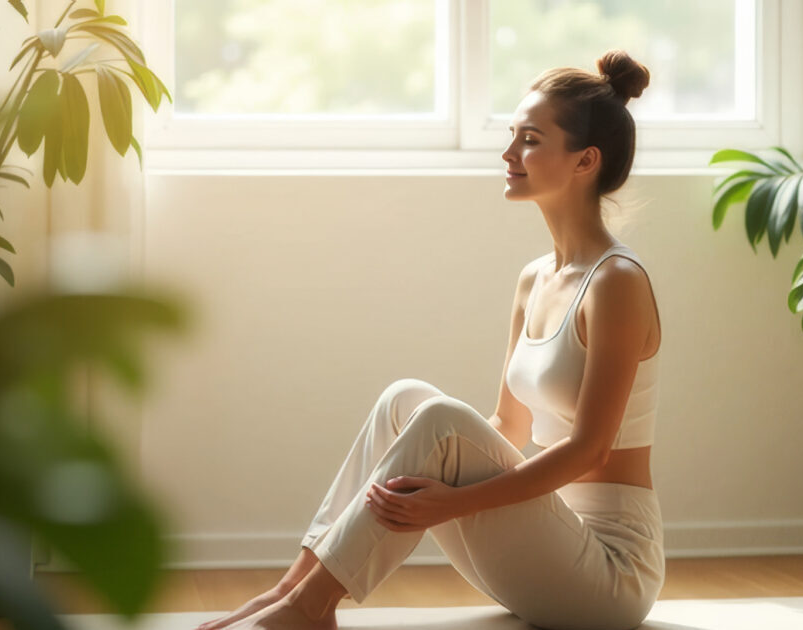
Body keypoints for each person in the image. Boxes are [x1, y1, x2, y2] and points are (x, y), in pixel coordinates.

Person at [198, 49, 664, 630]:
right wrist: (443, 474)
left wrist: (452, 502)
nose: (508, 152)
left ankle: (308, 609)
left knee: (440, 416)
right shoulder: (534, 278)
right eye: (512, 135)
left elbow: (591, 449)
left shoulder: (617, 282)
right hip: (542, 542)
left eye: (530, 139)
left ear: (584, 160)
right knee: (406, 399)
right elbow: (509, 429)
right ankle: (294, 589)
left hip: (608, 574)